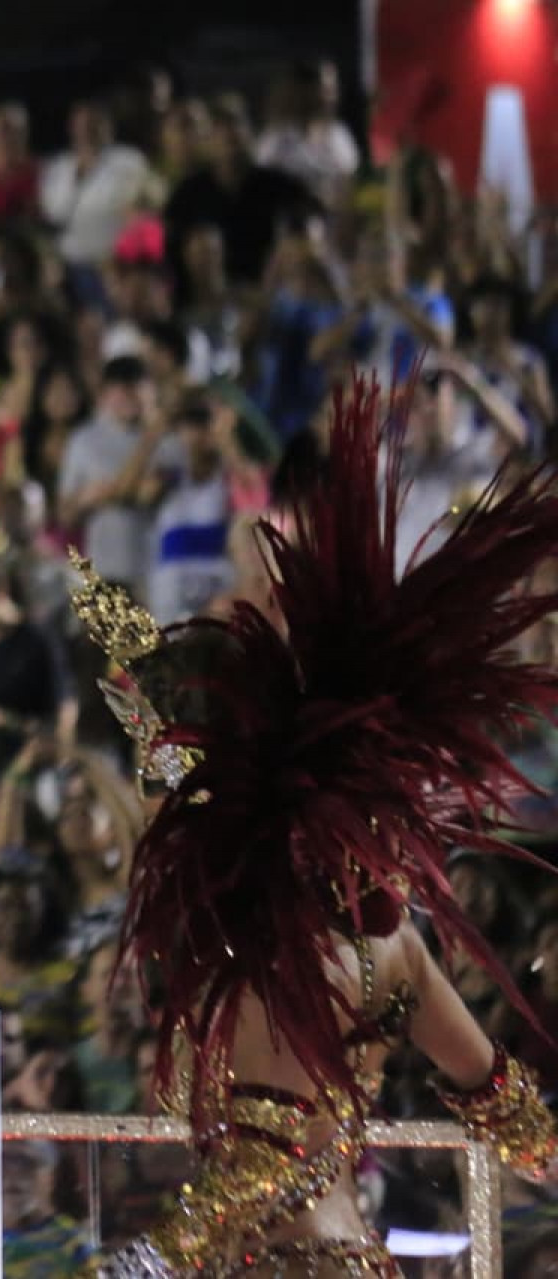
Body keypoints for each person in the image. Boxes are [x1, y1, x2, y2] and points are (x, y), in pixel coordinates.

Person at [77, 379, 558, 1276]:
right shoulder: (382, 947)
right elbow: (506, 1107)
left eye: (168, 778)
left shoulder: (275, 949)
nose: (158, 803)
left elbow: (273, 1154)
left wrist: (150, 1259)